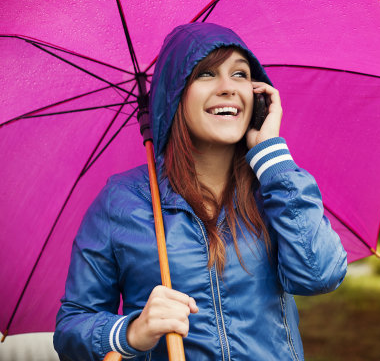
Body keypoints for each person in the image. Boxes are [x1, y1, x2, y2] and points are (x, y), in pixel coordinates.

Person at [53, 23, 348, 360]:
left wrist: (272, 156)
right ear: (176, 93)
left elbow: (320, 274)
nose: (228, 88)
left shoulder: (274, 187)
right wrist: (132, 332)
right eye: (206, 74)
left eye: (240, 74)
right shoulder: (122, 201)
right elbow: (71, 328)